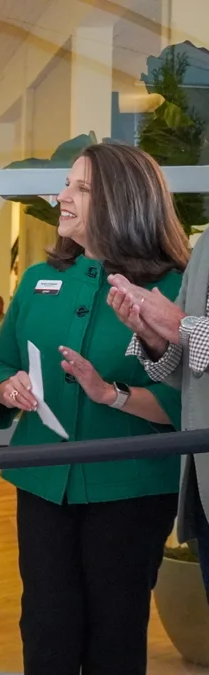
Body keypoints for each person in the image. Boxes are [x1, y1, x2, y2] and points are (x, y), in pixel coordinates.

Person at [0, 143, 186, 674]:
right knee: (46, 626)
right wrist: (10, 389)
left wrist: (110, 395)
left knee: (115, 634)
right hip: (44, 482)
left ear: (121, 200)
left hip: (131, 488)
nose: (62, 197)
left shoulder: (172, 289)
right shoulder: (36, 281)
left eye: (81, 188)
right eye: (66, 184)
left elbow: (188, 404)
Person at [112, 239, 209, 604]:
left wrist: (181, 325)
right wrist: (153, 334)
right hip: (202, 483)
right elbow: (185, 368)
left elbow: (186, 329)